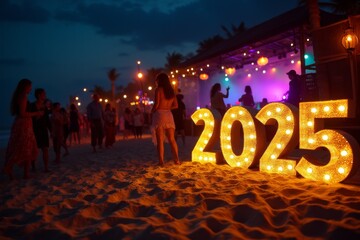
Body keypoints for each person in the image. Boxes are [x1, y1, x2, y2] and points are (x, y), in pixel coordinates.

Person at [3, 79, 44, 180]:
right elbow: (22, 114)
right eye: (30, 86)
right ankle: (22, 173)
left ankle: (18, 172)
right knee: (25, 148)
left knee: (21, 148)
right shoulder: (23, 97)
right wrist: (36, 113)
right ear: (25, 86)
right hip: (23, 125)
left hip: (22, 124)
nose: (30, 88)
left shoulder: (19, 96)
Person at [151, 72, 181, 166]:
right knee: (172, 139)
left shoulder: (158, 90)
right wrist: (167, 108)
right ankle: (177, 160)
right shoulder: (171, 90)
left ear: (159, 80)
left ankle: (161, 162)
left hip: (160, 114)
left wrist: (151, 111)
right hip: (168, 115)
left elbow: (156, 104)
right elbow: (176, 105)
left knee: (160, 140)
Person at [30, 88, 51, 173]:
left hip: (43, 130)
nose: (45, 95)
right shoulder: (32, 106)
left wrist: (51, 130)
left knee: (45, 149)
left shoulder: (45, 107)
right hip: (35, 129)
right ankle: (33, 166)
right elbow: (30, 118)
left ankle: (46, 167)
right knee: (34, 149)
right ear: (39, 95)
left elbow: (47, 119)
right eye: (43, 93)